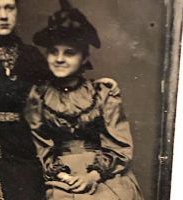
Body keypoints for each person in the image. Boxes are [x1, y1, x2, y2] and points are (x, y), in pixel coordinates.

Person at [25, 0, 144, 199]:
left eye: (69, 53)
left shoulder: (103, 93)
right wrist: (63, 176)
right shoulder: (38, 96)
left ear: (85, 57)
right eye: (53, 51)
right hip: (61, 176)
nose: (59, 59)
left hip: (104, 174)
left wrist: (93, 175)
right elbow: (40, 147)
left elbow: (119, 146)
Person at [0, 0, 50, 199]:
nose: (3, 16)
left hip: (22, 143)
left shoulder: (31, 56)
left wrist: (98, 86)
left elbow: (55, 94)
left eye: (9, 7)